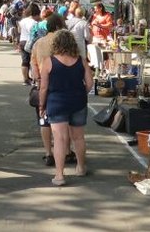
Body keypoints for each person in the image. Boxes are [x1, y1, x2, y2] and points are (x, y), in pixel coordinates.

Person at [37, 29, 94, 186]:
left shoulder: (49, 61)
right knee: (78, 137)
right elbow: (90, 83)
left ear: (56, 44)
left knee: (60, 139)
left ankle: (59, 175)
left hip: (56, 103)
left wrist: (42, 105)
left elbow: (43, 88)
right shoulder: (81, 60)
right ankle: (81, 167)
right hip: (78, 102)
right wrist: (81, 93)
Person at [30, 12, 66, 167]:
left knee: (44, 121)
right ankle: (66, 152)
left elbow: (33, 64)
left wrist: (38, 79)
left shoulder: (39, 43)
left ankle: (48, 153)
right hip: (62, 86)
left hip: (42, 85)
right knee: (64, 121)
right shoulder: (64, 42)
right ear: (59, 26)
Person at [18, 3, 42, 85]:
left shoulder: (23, 21)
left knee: (24, 61)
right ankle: (35, 78)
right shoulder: (34, 23)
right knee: (33, 61)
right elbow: (35, 34)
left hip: (22, 41)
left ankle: (25, 79)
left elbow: (19, 31)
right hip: (31, 42)